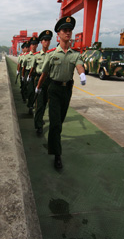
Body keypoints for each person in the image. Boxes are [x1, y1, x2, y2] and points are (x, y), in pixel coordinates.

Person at [35, 16, 86, 169]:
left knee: (60, 122)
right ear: (59, 34)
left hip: (67, 90)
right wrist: (38, 86)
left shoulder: (74, 54)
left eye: (70, 30)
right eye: (65, 30)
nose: (68, 33)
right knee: (55, 123)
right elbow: (44, 73)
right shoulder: (51, 54)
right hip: (54, 90)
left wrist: (82, 74)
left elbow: (79, 66)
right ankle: (57, 154)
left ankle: (55, 147)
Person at [28, 30, 53, 134]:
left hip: (50, 81)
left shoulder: (52, 54)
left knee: (46, 102)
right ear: (41, 42)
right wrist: (29, 77)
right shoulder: (37, 56)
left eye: (48, 40)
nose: (46, 42)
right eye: (44, 40)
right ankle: (38, 125)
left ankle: (40, 118)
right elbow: (33, 68)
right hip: (39, 80)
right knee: (40, 103)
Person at [22, 37, 39, 114]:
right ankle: (30, 106)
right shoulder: (26, 56)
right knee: (31, 91)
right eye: (32, 44)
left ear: (37, 45)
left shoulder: (39, 55)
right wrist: (24, 76)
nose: (33, 46)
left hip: (38, 75)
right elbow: (24, 66)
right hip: (29, 74)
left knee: (39, 93)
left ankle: (37, 108)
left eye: (35, 44)